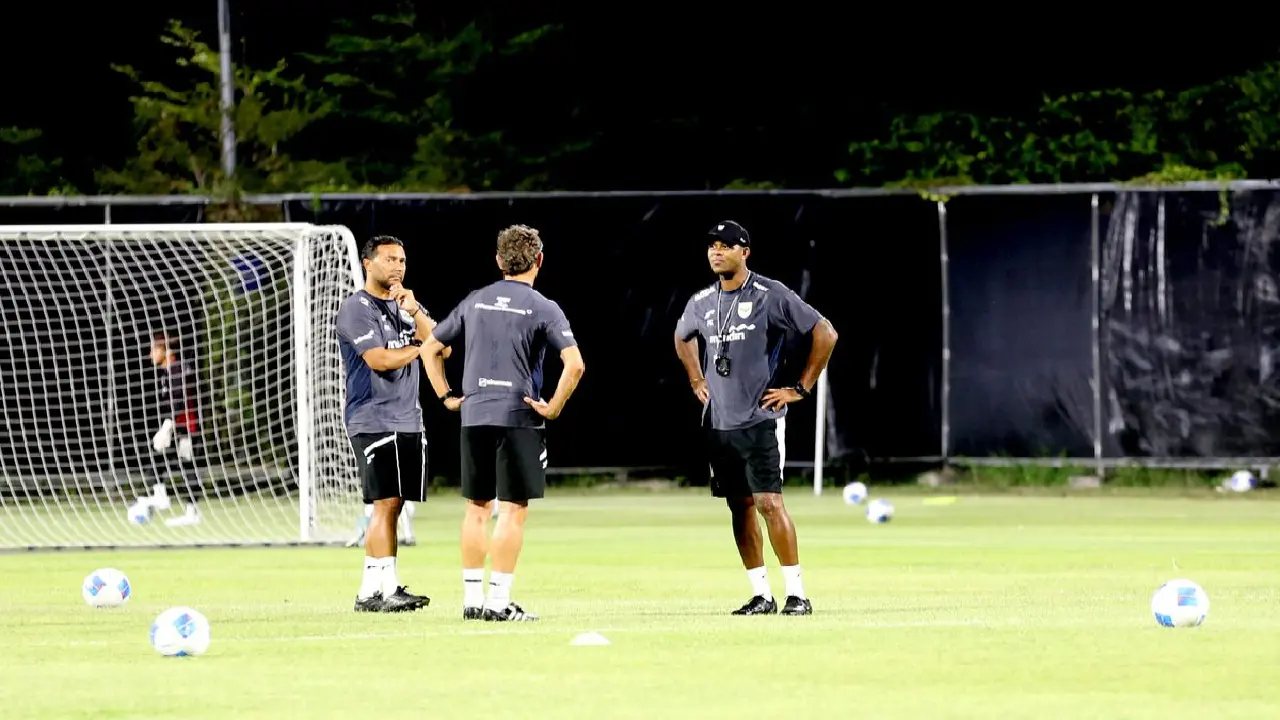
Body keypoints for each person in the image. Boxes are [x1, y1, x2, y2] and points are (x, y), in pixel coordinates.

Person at [421, 224, 585, 622]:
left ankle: (472, 601)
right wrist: (554, 407)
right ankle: (498, 603)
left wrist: (446, 396)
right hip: (518, 416)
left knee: (477, 507)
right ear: (540, 260)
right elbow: (575, 364)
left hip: (474, 415)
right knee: (512, 509)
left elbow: (429, 348)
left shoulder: (475, 300)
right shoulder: (544, 306)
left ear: (498, 261)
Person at [673, 220, 838, 616]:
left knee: (769, 502)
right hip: (718, 423)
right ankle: (761, 595)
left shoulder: (769, 294)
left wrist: (800, 388)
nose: (716, 252)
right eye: (712, 245)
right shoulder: (700, 302)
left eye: (725, 246)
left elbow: (825, 333)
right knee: (739, 506)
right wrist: (696, 376)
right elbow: (682, 336)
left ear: (744, 252)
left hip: (760, 419)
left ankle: (797, 594)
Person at [336, 235, 439, 613]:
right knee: (384, 502)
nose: (397, 266)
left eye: (403, 260)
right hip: (372, 417)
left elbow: (443, 345)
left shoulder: (405, 304)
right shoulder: (356, 308)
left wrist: (414, 312)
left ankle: (370, 591)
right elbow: (379, 359)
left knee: (394, 506)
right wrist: (419, 348)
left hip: (408, 417)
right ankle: (386, 587)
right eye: (390, 259)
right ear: (368, 263)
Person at [146, 332, 204, 527]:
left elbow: (179, 399)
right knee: (156, 455)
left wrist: (167, 425)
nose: (150, 355)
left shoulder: (177, 369)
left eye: (153, 350)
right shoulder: (168, 373)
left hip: (186, 427)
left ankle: (191, 512)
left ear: (165, 350)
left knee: (187, 466)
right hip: (176, 427)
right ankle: (160, 495)